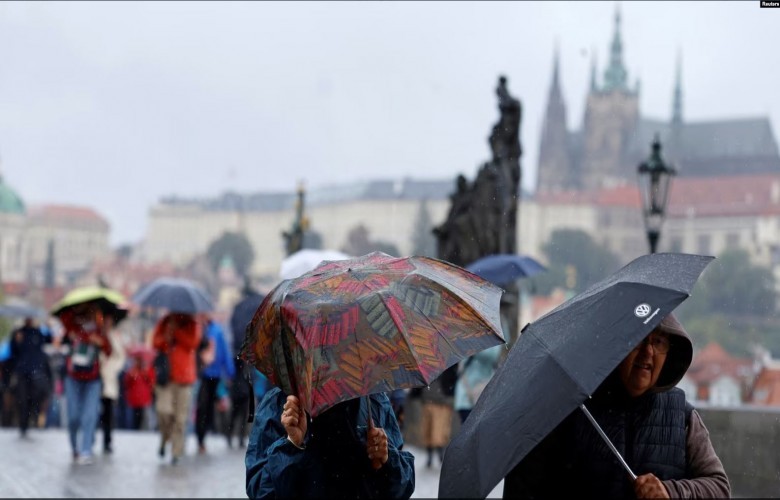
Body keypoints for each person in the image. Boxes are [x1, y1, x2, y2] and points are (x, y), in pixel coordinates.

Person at [503, 313, 731, 499]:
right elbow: (525, 486)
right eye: (640, 339)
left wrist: (671, 492)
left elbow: (719, 487)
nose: (648, 352)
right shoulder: (574, 408)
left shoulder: (682, 417)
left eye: (658, 342)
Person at [245, 387, 415, 498]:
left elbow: (401, 488)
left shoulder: (374, 401)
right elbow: (261, 491)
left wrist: (386, 460)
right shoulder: (280, 405)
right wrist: (292, 445)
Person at [58, 302, 113, 465]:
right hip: (73, 376)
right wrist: (76, 312)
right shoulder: (72, 323)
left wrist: (101, 341)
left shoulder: (99, 328)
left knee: (90, 415)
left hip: (92, 378)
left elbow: (108, 351)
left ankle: (86, 449)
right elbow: (64, 321)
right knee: (73, 415)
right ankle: (75, 446)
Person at [152, 312, 202, 465]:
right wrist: (167, 335)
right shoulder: (165, 321)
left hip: (184, 378)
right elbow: (155, 342)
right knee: (164, 411)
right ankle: (164, 438)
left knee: (180, 418)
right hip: (165, 378)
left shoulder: (191, 324)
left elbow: (192, 343)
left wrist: (177, 331)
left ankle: (176, 451)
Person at [195, 316, 235, 454]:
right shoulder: (199, 330)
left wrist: (230, 373)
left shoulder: (216, 331)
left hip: (214, 375)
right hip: (202, 374)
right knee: (202, 406)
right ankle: (200, 438)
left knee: (207, 408)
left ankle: (203, 436)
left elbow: (224, 352)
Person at [8, 317, 52, 437]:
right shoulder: (18, 333)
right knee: (22, 398)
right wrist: (16, 341)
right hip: (22, 371)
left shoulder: (37, 332)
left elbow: (47, 342)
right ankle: (23, 424)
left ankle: (31, 417)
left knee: (34, 397)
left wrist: (48, 327)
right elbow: (13, 352)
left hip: (36, 371)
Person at [454, 344, 503, 423]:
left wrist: (486, 385)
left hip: (486, 394)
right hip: (466, 396)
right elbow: (461, 368)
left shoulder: (497, 342)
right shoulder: (471, 340)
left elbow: (495, 364)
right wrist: (470, 393)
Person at [98, 315, 126, 453]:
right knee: (95, 411)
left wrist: (113, 368)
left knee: (108, 412)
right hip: (97, 376)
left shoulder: (115, 337)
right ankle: (91, 437)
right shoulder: (97, 335)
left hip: (109, 378)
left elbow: (120, 357)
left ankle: (107, 440)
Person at [123, 352, 155, 430]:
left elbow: (152, 383)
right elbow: (126, 383)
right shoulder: (132, 371)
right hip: (133, 400)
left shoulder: (148, 370)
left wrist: (145, 373)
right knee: (133, 422)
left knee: (143, 422)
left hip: (144, 400)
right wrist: (131, 376)